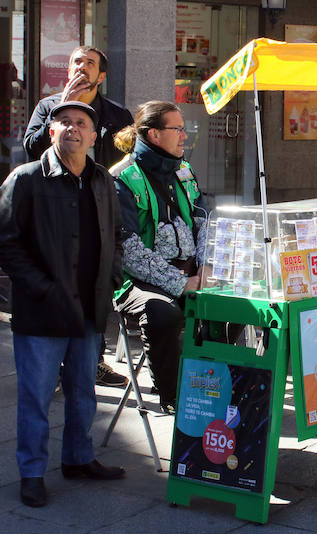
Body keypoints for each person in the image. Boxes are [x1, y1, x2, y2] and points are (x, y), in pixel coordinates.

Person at [0, 101, 127, 508]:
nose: (73, 128)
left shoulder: (102, 179)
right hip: (43, 310)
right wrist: (41, 287)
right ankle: (32, 473)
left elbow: (116, 234)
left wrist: (111, 278)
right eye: (64, 122)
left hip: (89, 307)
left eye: (81, 123)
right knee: (36, 397)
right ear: (51, 132)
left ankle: (78, 458)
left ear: (94, 136)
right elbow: (6, 243)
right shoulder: (26, 179)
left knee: (83, 391)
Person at [23, 45, 133, 389]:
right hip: (53, 211)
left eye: (89, 63)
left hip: (98, 209)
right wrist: (62, 106)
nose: (81, 68)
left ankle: (92, 361)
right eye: (76, 62)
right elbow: (31, 147)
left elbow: (130, 158)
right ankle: (55, 366)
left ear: (101, 76)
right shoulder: (48, 107)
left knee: (91, 287)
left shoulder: (116, 114)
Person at [114, 101, 208, 415]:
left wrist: (205, 267)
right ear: (154, 134)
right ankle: (175, 397)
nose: (185, 135)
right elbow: (127, 251)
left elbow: (204, 221)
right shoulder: (122, 178)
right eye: (177, 129)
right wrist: (181, 284)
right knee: (162, 314)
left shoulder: (184, 170)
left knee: (236, 305)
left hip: (191, 273)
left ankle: (214, 383)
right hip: (137, 282)